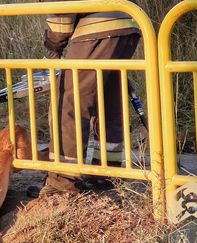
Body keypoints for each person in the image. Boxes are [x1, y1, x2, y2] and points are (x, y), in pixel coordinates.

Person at [29, 0, 142, 197]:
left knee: (68, 105)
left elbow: (62, 15)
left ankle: (62, 181)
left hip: (98, 30)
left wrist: (53, 45)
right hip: (129, 23)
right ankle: (106, 173)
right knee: (108, 102)